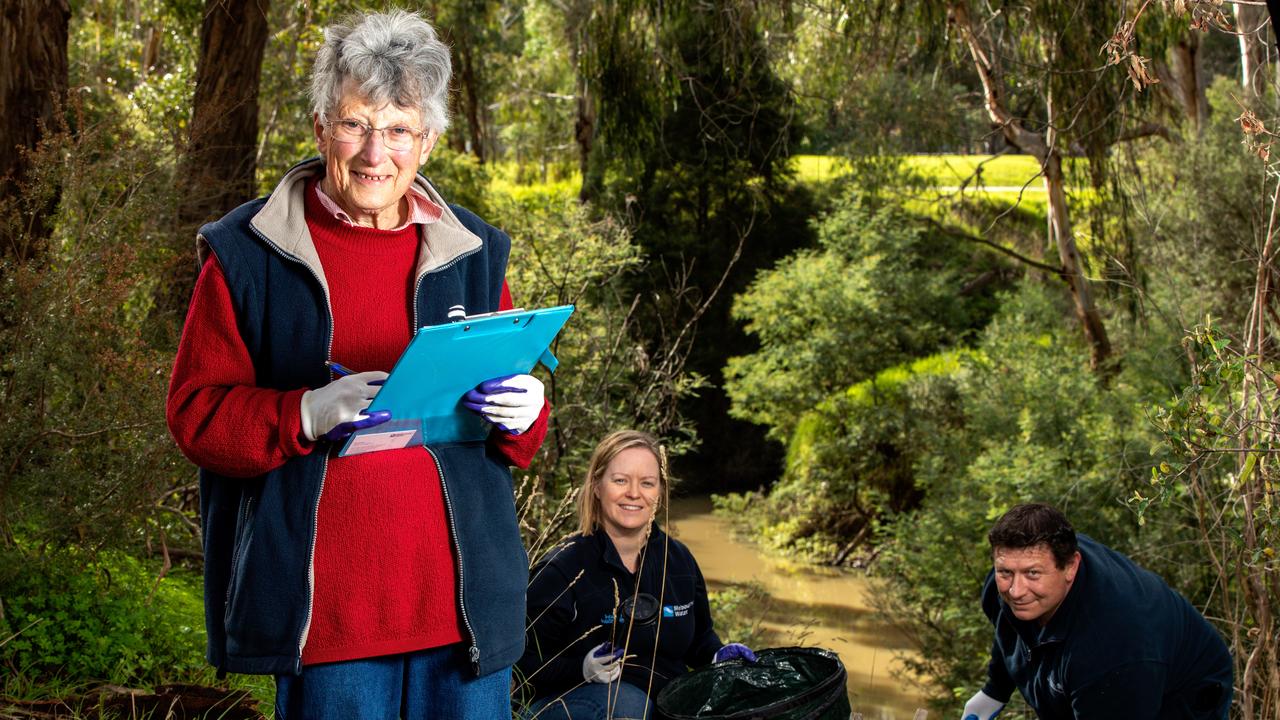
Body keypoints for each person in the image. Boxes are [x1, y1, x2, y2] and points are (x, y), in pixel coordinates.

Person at [165, 11, 548, 718]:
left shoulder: (473, 253)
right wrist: (304, 412)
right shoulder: (248, 253)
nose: (376, 152)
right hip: (330, 622)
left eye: (399, 129)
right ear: (319, 128)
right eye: (354, 124)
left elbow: (515, 429)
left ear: (426, 141)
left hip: (463, 616)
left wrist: (528, 408)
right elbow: (195, 415)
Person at [516, 430, 755, 720]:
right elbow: (522, 665)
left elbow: (699, 638)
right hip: (574, 704)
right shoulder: (564, 567)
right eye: (620, 480)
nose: (633, 493)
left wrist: (720, 656)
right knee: (627, 704)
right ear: (596, 486)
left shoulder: (679, 561)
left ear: (660, 492)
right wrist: (582, 668)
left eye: (647, 483)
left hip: (667, 704)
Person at [961, 503, 1233, 720]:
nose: (1016, 590)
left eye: (1033, 573)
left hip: (1178, 692)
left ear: (1070, 566)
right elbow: (1011, 633)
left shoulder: (1112, 647)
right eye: (1005, 572)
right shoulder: (1005, 585)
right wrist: (994, 690)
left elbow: (1106, 669)